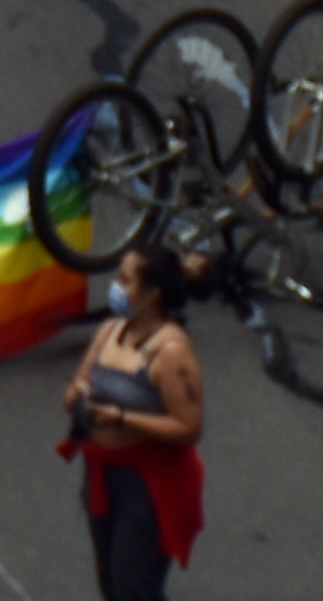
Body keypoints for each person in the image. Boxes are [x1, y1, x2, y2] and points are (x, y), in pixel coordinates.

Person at [59, 239, 207, 598]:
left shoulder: (171, 352)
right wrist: (79, 396)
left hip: (149, 485)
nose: (116, 288)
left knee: (133, 587)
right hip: (104, 476)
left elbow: (189, 427)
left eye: (126, 281)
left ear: (152, 294)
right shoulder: (111, 331)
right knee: (112, 584)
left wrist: (124, 418)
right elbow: (77, 385)